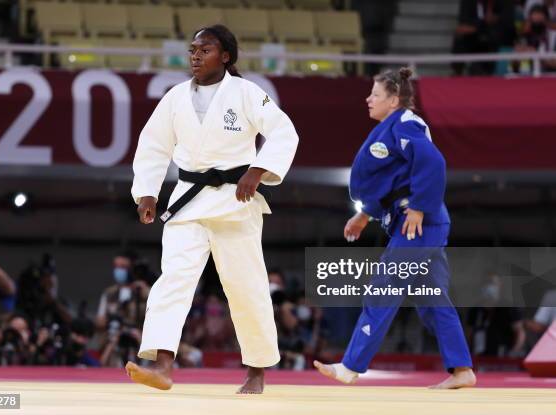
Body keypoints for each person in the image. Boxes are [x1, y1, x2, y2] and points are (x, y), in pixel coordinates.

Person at [125, 24, 299, 394]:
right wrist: (147, 193)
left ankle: (256, 372)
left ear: (226, 56)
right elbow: (153, 146)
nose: (195, 56)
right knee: (173, 280)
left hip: (236, 202)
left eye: (205, 50)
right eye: (192, 50)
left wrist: (258, 170)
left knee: (246, 288)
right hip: (189, 201)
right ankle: (162, 365)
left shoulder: (248, 93)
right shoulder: (175, 98)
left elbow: (284, 132)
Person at [314, 67, 476, 389]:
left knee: (383, 288)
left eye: (375, 94)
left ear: (394, 99)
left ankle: (351, 365)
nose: (367, 99)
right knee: (432, 299)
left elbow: (432, 162)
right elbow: (391, 182)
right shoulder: (391, 128)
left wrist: (418, 207)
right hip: (416, 221)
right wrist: (365, 215)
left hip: (419, 223)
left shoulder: (405, 123)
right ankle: (462, 370)